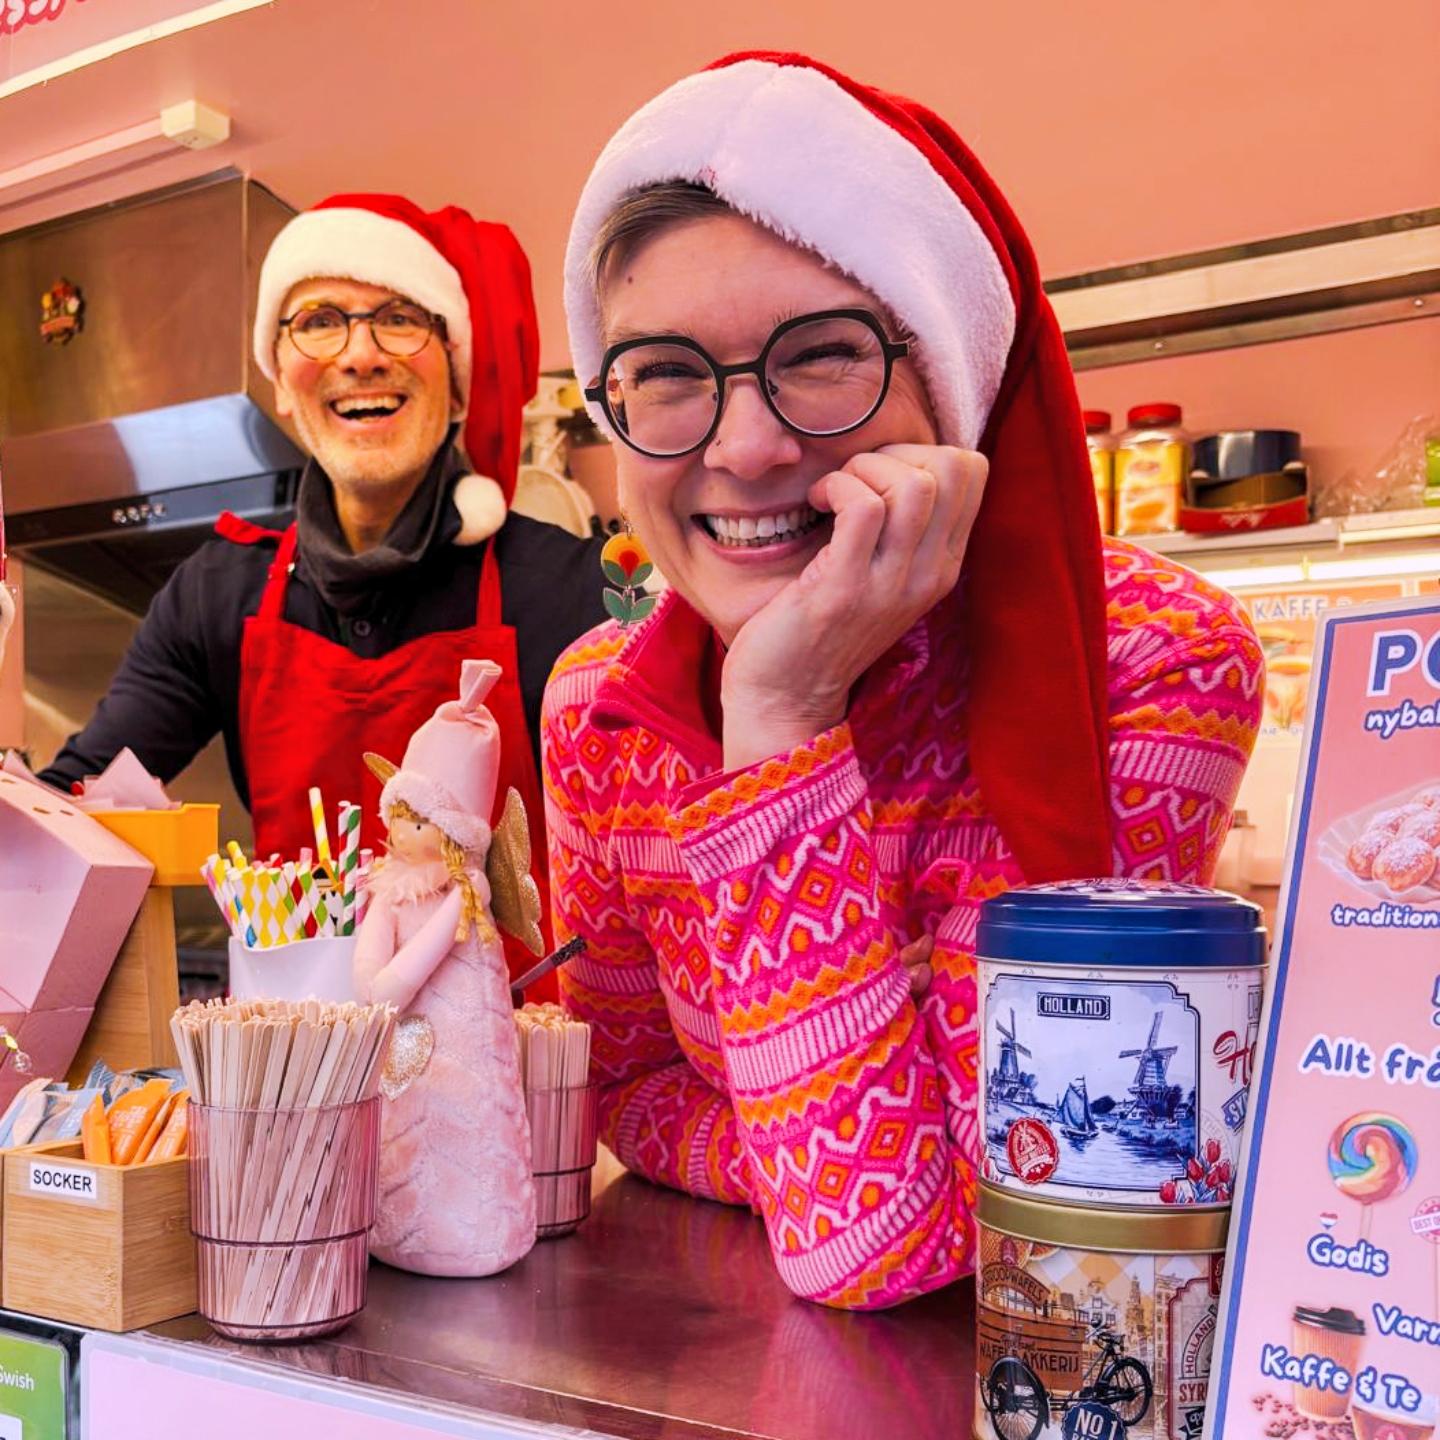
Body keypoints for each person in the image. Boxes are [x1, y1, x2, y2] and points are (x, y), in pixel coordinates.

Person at [543, 52, 1264, 1309]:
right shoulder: (598, 708)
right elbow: (624, 1089)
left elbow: (927, 1231)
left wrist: (781, 717)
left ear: (953, 380)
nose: (745, 446)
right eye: (664, 371)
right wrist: (826, 1150)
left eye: (822, 356)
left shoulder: (1152, 662)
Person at [42, 194, 607, 973]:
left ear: (456, 380)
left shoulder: (564, 589)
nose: (361, 354)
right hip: (294, 1041)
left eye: (400, 318)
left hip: (501, 1035)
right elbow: (70, 809)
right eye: (318, 320)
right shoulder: (218, 591)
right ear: (280, 379)